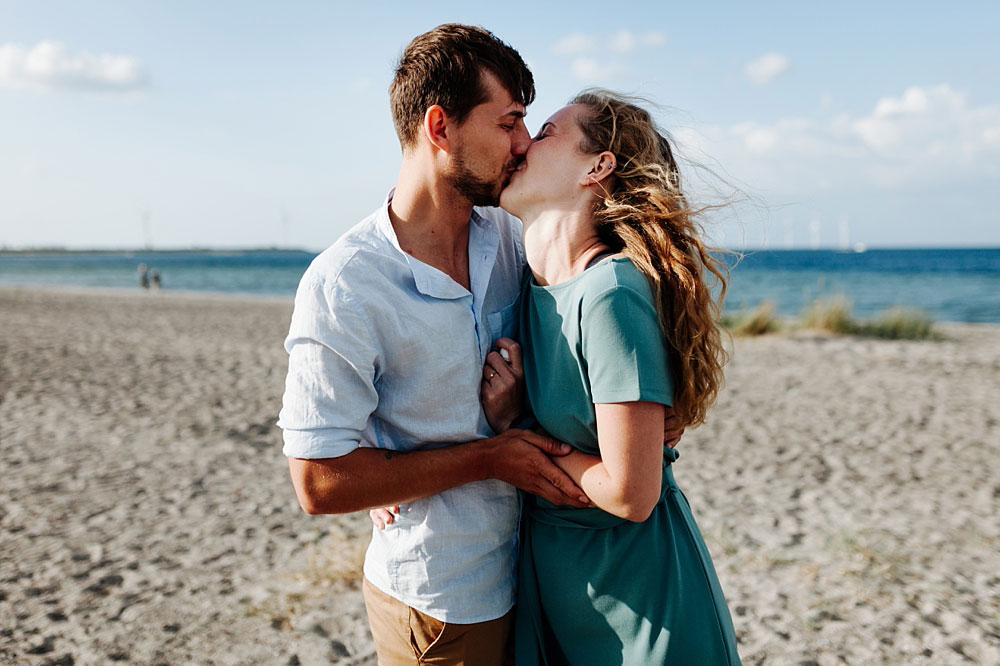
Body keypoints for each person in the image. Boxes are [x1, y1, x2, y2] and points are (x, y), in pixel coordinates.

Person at [278, 25, 591, 665]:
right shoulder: (345, 283)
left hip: (540, 567)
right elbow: (318, 480)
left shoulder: (511, 235)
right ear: (439, 126)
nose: (524, 143)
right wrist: (487, 458)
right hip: (444, 601)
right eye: (508, 123)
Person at [498, 91, 742, 664]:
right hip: (563, 590)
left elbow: (632, 494)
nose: (524, 143)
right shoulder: (524, 286)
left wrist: (517, 444)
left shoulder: (609, 294)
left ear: (596, 167)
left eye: (548, 132)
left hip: (643, 606)